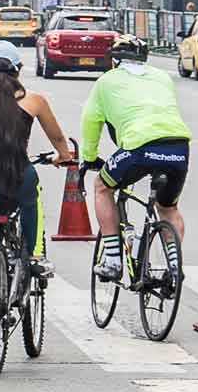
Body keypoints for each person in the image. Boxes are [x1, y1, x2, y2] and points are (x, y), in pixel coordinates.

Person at [0, 42, 76, 337]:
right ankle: (34, 257)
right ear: (18, 70)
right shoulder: (33, 101)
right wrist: (63, 156)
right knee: (31, 200)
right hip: (17, 178)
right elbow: (59, 139)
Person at [79, 36, 192, 281]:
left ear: (115, 61)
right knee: (168, 208)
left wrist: (89, 157)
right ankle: (174, 268)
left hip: (139, 147)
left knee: (102, 186)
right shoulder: (162, 77)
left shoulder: (106, 81)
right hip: (178, 146)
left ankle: (112, 260)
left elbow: (91, 120)